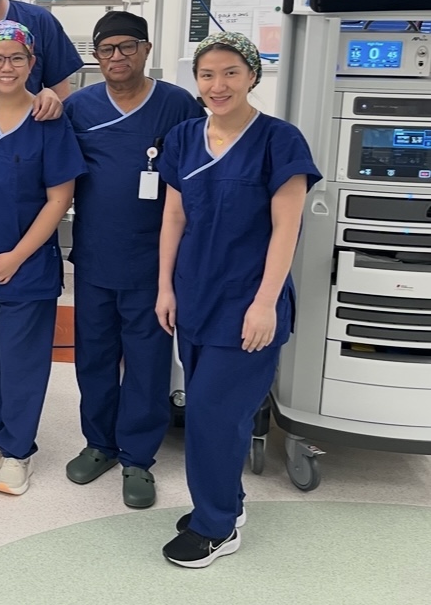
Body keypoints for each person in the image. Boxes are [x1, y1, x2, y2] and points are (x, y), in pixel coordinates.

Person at [155, 31, 320, 568]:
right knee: (209, 408)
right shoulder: (183, 138)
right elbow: (175, 217)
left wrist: (265, 302)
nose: (217, 84)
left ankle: (215, 528)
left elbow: (286, 228)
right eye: (207, 74)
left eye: (230, 72)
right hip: (195, 295)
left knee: (212, 416)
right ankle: (229, 503)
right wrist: (165, 286)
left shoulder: (279, 140)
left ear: (253, 75)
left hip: (249, 302)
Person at [62, 11, 205, 509]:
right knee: (94, 356)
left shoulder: (177, 105)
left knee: (146, 363)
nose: (117, 57)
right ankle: (99, 443)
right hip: (97, 256)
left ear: (146, 50)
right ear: (96, 57)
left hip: (153, 262)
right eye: (106, 49)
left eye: (127, 47)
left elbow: (197, 177)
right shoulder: (78, 107)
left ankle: (138, 458)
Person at [0, 20, 86, 496]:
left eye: (17, 58)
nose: (7, 67)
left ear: (32, 65)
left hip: (27, 268)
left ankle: (20, 449)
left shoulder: (49, 119)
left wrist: (16, 257)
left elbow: (58, 198)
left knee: (22, 360)